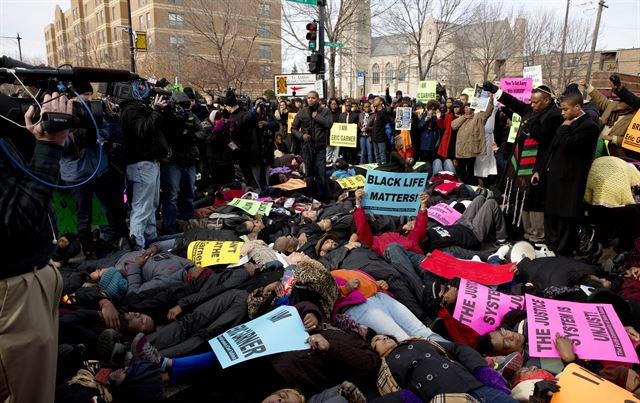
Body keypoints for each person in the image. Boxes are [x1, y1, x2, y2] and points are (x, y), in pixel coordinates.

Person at [0, 92, 68, 402]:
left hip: (28, 279)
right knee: (28, 393)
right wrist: (49, 148)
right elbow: (14, 222)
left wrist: (33, 142)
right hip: (14, 291)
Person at [483, 81, 564, 244]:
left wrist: (529, 125)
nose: (532, 105)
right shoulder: (531, 109)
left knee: (535, 203)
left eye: (536, 102)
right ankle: (527, 233)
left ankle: (537, 235)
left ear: (546, 101)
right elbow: (513, 102)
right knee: (523, 199)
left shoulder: (554, 115)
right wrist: (495, 90)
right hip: (521, 163)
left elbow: (542, 136)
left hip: (538, 166)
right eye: (531, 101)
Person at [61, 81, 128, 258]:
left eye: (91, 95)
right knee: (84, 214)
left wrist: (98, 136)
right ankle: (88, 249)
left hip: (100, 169)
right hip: (78, 175)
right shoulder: (63, 111)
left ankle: (118, 237)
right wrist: (75, 138)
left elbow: (106, 129)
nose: (89, 99)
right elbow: (58, 143)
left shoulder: (96, 110)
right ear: (74, 96)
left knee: (115, 205)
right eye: (85, 95)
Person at [533, 92, 599, 255]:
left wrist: (564, 129)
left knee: (565, 217)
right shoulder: (566, 122)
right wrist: (539, 170)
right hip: (555, 177)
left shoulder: (590, 126)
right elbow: (552, 149)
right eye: (561, 110)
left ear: (577, 107)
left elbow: (571, 144)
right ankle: (550, 245)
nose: (562, 113)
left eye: (565, 110)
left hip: (571, 180)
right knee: (551, 214)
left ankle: (561, 250)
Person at [372, 335, 516, 402]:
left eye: (384, 336)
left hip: (475, 385)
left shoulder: (418, 341)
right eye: (376, 341)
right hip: (448, 399)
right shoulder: (385, 373)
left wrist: (481, 369)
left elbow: (457, 348)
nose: (383, 338)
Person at [161, 91, 202, 234]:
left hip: (188, 159)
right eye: (181, 105)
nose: (183, 108)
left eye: (186, 104)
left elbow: (202, 131)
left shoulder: (190, 116)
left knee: (189, 192)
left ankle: (186, 220)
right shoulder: (166, 117)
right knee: (171, 195)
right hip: (172, 161)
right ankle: (170, 228)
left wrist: (192, 137)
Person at [291, 91, 332, 200]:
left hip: (320, 148)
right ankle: (311, 197)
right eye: (308, 98)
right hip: (307, 148)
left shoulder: (325, 111)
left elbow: (329, 124)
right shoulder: (302, 112)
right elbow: (293, 128)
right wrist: (301, 136)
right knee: (309, 174)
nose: (310, 100)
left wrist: (317, 117)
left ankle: (321, 198)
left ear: (318, 99)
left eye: (313, 98)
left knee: (320, 174)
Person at [452, 98, 494, 184]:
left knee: (470, 170)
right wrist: (464, 117)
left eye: (469, 107)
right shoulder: (461, 118)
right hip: (461, 150)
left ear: (472, 109)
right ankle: (462, 184)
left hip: (472, 149)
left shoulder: (478, 117)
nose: (466, 109)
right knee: (462, 170)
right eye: (465, 108)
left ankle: (471, 185)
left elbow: (487, 113)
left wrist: (490, 102)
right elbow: (453, 125)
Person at [371, 95, 391, 164]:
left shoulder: (384, 111)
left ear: (381, 102)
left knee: (383, 156)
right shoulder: (375, 111)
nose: (374, 101)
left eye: (376, 99)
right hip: (374, 136)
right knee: (377, 156)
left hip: (381, 137)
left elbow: (388, 121)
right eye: (374, 100)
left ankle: (383, 169)